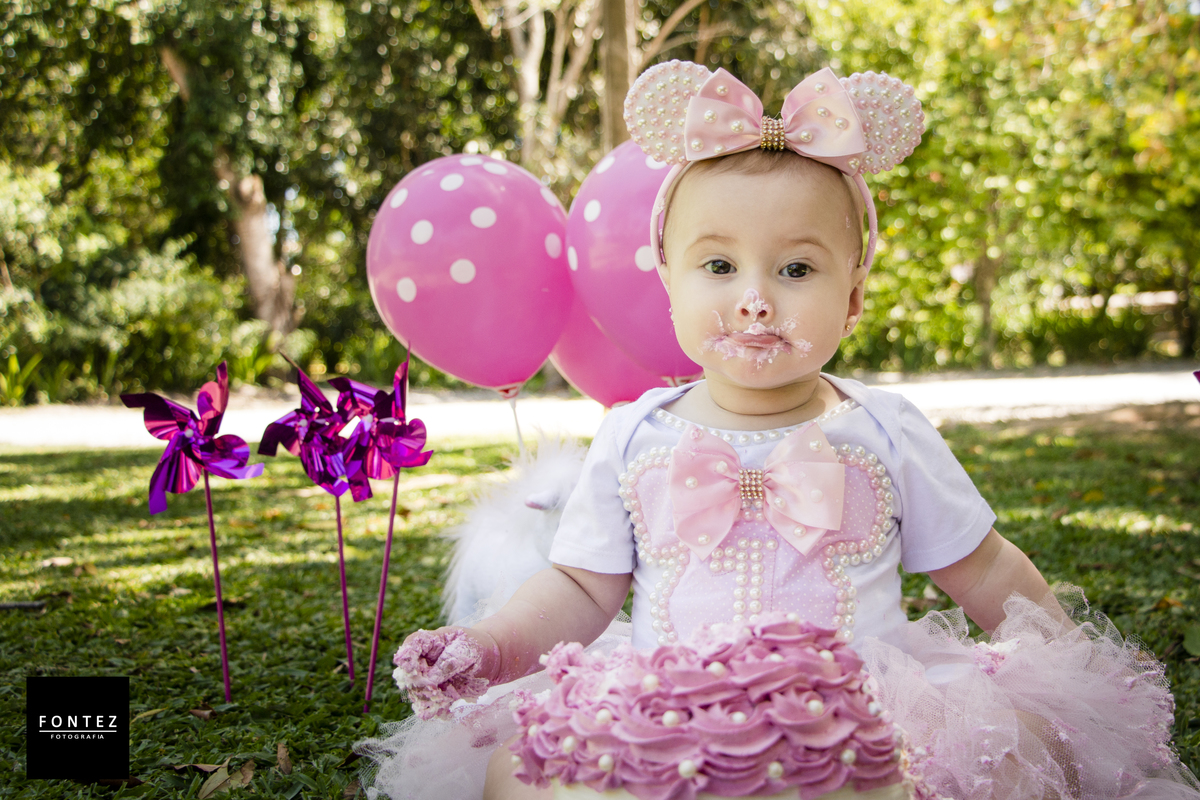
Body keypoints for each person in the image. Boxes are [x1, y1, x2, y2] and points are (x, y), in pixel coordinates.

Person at [360, 63, 1200, 800]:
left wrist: (1072, 663)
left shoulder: (883, 429)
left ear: (854, 296)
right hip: (665, 708)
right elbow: (580, 589)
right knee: (523, 771)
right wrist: (493, 646)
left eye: (796, 268)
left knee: (979, 767)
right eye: (719, 266)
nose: (756, 299)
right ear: (670, 284)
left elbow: (982, 566)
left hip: (862, 712)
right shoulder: (633, 434)